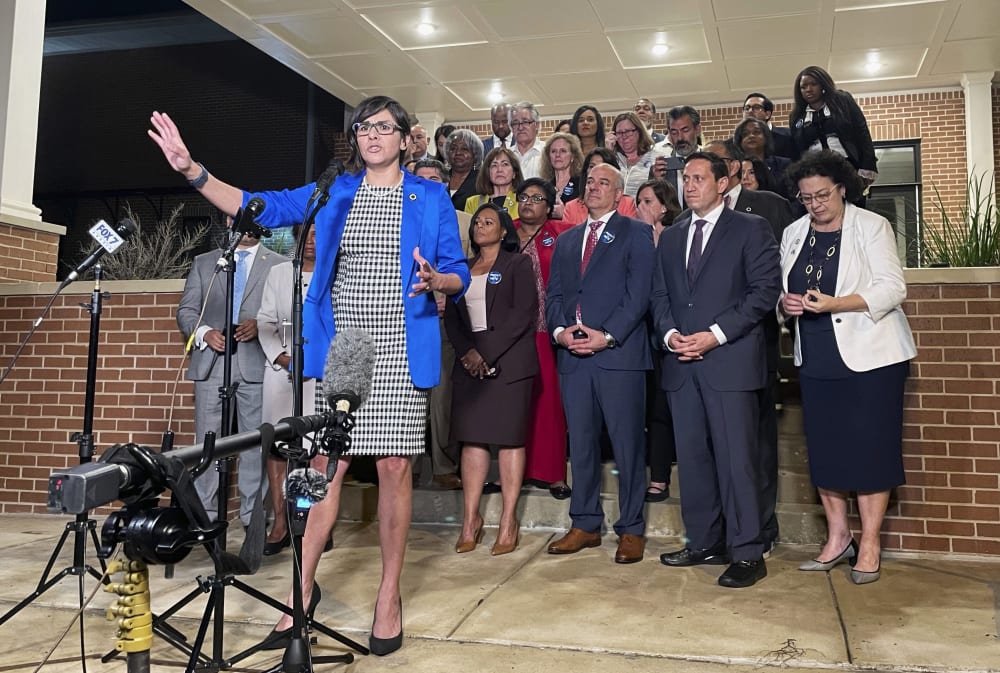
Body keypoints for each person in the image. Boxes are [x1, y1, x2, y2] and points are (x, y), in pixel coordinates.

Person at [148, 95, 470, 656]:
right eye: (363, 127)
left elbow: (458, 273)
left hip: (401, 345)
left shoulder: (432, 195)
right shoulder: (333, 192)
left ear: (403, 138)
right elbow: (257, 207)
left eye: (383, 127)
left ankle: (388, 594)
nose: (371, 135)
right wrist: (190, 170)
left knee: (395, 467)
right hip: (346, 345)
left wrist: (439, 281)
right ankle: (299, 594)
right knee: (326, 466)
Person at [779, 150, 915, 585]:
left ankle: (870, 542)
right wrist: (786, 304)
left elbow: (893, 288)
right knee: (827, 449)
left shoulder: (872, 226)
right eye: (806, 198)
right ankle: (838, 537)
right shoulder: (794, 232)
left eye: (822, 195)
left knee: (870, 449)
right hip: (816, 352)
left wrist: (837, 303)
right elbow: (785, 291)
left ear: (841, 189)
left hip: (872, 355)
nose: (815, 204)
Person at [652, 152, 781, 589]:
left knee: (737, 462)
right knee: (692, 461)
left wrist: (715, 335)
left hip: (730, 362)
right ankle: (705, 540)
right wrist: (671, 336)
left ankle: (747, 551)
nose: (689, 186)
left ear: (723, 183)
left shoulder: (751, 228)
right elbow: (659, 296)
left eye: (699, 178)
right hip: (682, 364)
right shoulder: (671, 235)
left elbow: (764, 292)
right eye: (685, 178)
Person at [545, 163, 655, 565]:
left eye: (603, 182)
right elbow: (554, 295)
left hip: (618, 356)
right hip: (573, 359)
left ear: (619, 193)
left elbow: (639, 294)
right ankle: (585, 523)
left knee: (627, 446)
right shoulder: (568, 239)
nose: (593, 187)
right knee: (583, 445)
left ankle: (631, 528)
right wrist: (560, 333)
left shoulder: (636, 232)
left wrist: (606, 335)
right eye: (589, 181)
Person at [703, 138, 795, 554]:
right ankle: (721, 529)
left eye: (716, 163)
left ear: (734, 169)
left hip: (752, 344)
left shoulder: (770, 206)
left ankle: (760, 526)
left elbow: (773, 278)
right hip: (702, 351)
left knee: (754, 445)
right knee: (716, 446)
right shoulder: (692, 217)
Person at [176, 218, 287, 529]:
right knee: (207, 445)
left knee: (254, 445)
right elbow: (186, 310)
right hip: (212, 365)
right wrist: (205, 333)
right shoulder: (205, 262)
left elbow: (290, 312)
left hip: (257, 366)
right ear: (227, 222)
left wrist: (263, 324)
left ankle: (253, 522)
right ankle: (204, 520)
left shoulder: (279, 264)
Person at [445, 203, 539, 556]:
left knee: (510, 441)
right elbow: (453, 318)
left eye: (490, 222)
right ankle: (470, 520)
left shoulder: (518, 264)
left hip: (510, 364)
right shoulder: (462, 269)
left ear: (504, 231)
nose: (481, 226)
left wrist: (487, 353)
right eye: (478, 222)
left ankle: (508, 520)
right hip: (469, 363)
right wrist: (468, 351)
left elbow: (523, 314)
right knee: (472, 441)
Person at [257, 226, 317, 556]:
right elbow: (266, 319)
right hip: (281, 372)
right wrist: (283, 358)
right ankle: (280, 523)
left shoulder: (336, 272)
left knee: (312, 450)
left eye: (319, 235)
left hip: (318, 374)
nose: (311, 241)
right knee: (277, 447)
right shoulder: (280, 273)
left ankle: (309, 523)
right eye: (307, 234)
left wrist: (313, 362)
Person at [513, 178, 574, 500]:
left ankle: (552, 474)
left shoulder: (562, 233)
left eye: (537, 198)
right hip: (510, 332)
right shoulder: (504, 231)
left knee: (549, 401)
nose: (528, 203)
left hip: (548, 330)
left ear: (549, 206)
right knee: (514, 406)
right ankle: (515, 473)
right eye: (523, 197)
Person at [415, 158, 467, 490]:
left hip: (450, 319)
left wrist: (449, 290)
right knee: (409, 398)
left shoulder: (465, 222)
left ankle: (444, 466)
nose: (429, 184)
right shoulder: (400, 218)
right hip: (407, 320)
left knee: (444, 396)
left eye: (436, 179)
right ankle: (407, 467)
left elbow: (472, 271)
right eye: (422, 179)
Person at [633, 178, 681, 503]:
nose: (641, 208)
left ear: (664, 207)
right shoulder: (630, 240)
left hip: (672, 334)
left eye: (648, 201)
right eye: (638, 202)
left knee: (665, 408)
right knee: (646, 409)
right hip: (639, 336)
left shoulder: (677, 239)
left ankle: (661, 476)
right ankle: (649, 475)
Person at [789, 66, 878, 195]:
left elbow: (862, 132)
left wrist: (867, 167)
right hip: (814, 170)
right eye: (803, 87)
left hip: (847, 165)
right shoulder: (797, 116)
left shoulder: (843, 100)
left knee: (851, 205)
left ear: (823, 84)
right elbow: (797, 150)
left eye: (813, 84)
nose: (808, 89)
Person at [562, 148, 637, 224]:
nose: (596, 170)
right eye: (592, 166)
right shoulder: (571, 208)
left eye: (603, 165)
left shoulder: (626, 204)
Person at [733, 117, 792, 197]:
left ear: (766, 137)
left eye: (756, 132)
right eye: (745, 134)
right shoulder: (734, 168)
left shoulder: (784, 165)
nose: (751, 136)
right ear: (739, 141)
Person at [613, 112, 666, 198]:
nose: (624, 136)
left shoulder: (656, 157)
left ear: (639, 131)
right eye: (619, 133)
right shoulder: (612, 158)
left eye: (628, 131)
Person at [463, 146, 524, 219]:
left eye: (505, 164)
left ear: (514, 173)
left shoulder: (522, 201)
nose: (499, 170)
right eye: (494, 165)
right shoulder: (472, 203)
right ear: (488, 173)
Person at [538, 132, 584, 220]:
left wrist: (565, 214)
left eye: (563, 151)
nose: (557, 155)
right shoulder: (543, 186)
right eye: (553, 151)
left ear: (573, 156)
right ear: (548, 156)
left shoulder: (582, 184)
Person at [742, 92, 797, 160]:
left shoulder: (789, 135)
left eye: (756, 107)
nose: (750, 111)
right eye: (747, 108)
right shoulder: (737, 142)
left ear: (767, 114)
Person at [446, 128, 484, 211]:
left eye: (464, 149)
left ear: (475, 154)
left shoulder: (482, 181)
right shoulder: (441, 178)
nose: (458, 153)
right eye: (453, 148)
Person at [508, 101, 545, 179]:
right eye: (515, 123)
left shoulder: (548, 152)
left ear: (537, 125)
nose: (520, 127)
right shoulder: (507, 156)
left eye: (525, 122)